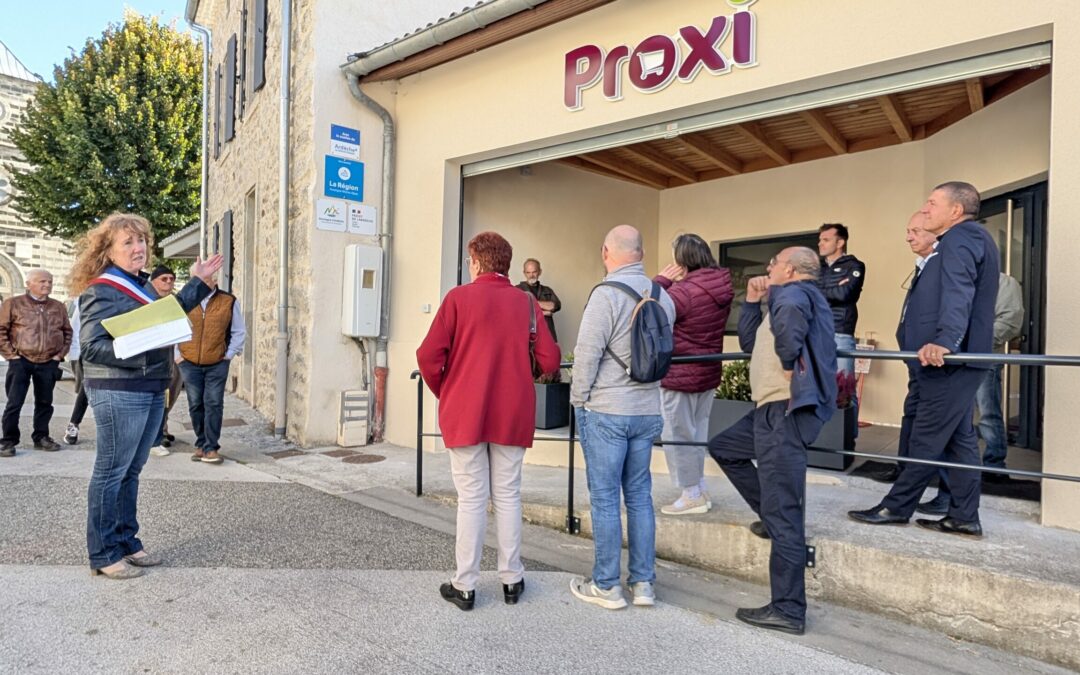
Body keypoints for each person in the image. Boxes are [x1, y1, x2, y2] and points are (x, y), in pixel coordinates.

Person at [73, 213, 222, 579]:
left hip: (151, 387)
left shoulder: (140, 285)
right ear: (108, 250)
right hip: (118, 390)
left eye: (141, 240)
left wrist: (199, 282)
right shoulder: (102, 289)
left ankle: (126, 542)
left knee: (131, 472)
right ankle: (103, 553)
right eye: (128, 242)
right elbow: (91, 348)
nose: (138, 247)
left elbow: (165, 315)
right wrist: (140, 349)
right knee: (111, 472)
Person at [417, 231, 559, 611]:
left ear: (477, 262)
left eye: (470, 261)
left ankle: (465, 585)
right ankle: (512, 579)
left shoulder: (458, 298)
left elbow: (428, 356)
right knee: (508, 494)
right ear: (506, 265)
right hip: (512, 411)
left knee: (471, 498)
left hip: (466, 411)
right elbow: (549, 360)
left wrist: (447, 390)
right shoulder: (526, 303)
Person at [849, 182, 998, 538]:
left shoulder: (961, 237)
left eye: (932, 203)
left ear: (955, 211)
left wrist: (945, 341)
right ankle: (963, 516)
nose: (926, 208)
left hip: (948, 363)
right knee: (960, 440)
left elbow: (959, 292)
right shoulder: (966, 239)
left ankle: (896, 508)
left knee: (925, 438)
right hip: (954, 363)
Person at [707, 247, 836, 636]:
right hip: (769, 410)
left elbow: (790, 330)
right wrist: (751, 303)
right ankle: (770, 517)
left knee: (785, 511)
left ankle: (788, 609)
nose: (768, 267)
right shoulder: (785, 298)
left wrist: (788, 358)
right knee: (725, 447)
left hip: (784, 411)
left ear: (790, 269)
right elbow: (750, 344)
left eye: (774, 263)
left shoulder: (794, 294)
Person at [569, 224, 675, 611]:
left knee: (605, 499)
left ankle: (607, 586)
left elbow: (587, 354)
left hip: (608, 411)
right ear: (641, 253)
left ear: (606, 252)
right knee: (640, 497)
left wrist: (578, 400)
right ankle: (644, 584)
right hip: (647, 409)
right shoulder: (663, 297)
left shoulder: (606, 295)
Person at [653, 233, 733, 515]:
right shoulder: (722, 284)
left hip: (680, 373)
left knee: (677, 435)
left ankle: (691, 494)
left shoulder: (683, 292)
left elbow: (649, 314)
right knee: (697, 433)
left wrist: (660, 282)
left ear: (682, 259)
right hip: (707, 370)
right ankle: (698, 486)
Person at [175, 273, 245, 464]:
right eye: (200, 278)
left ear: (215, 280)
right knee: (195, 403)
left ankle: (211, 447)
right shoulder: (184, 301)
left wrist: (229, 354)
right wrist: (177, 356)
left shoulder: (228, 301)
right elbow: (172, 327)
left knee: (213, 403)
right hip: (188, 361)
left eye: (208, 278)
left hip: (217, 362)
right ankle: (201, 443)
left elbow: (239, 330)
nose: (204, 282)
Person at [0, 269, 72, 456]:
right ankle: (8, 440)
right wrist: (11, 355)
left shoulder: (58, 306)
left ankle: (41, 437)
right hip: (20, 360)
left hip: (49, 361)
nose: (47, 285)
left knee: (45, 402)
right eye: (42, 281)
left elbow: (67, 332)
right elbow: (1, 330)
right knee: (14, 402)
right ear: (28, 284)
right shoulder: (13, 304)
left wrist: (59, 356)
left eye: (50, 282)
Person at [976, 273, 1024, 474]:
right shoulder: (956, 276)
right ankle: (957, 465)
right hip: (952, 359)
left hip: (985, 359)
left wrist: (975, 340)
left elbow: (1010, 322)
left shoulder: (1003, 282)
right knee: (953, 414)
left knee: (988, 414)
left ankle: (994, 466)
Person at [817, 223, 865, 378]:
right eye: (820, 240)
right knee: (817, 385)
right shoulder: (816, 268)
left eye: (826, 240)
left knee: (843, 386)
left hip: (840, 334)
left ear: (840, 243)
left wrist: (817, 293)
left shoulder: (854, 265)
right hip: (815, 333)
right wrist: (833, 290)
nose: (820, 243)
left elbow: (844, 294)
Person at [148, 265, 183, 457]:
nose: (169, 282)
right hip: (153, 359)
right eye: (164, 279)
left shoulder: (175, 302)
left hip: (175, 358)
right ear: (153, 281)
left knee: (170, 397)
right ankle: (156, 435)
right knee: (157, 398)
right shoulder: (146, 300)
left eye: (171, 279)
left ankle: (162, 427)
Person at [516, 258, 562, 344]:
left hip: (547, 335)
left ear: (540, 272)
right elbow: (517, 310)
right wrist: (545, 312)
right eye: (528, 272)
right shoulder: (517, 290)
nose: (531, 275)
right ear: (524, 273)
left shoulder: (547, 290)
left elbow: (556, 305)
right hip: (525, 336)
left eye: (534, 272)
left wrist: (530, 303)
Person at [63, 299, 89, 445]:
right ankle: (73, 424)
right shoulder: (86, 298)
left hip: (118, 353)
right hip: (89, 353)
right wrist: (74, 356)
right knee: (86, 388)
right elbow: (75, 329)